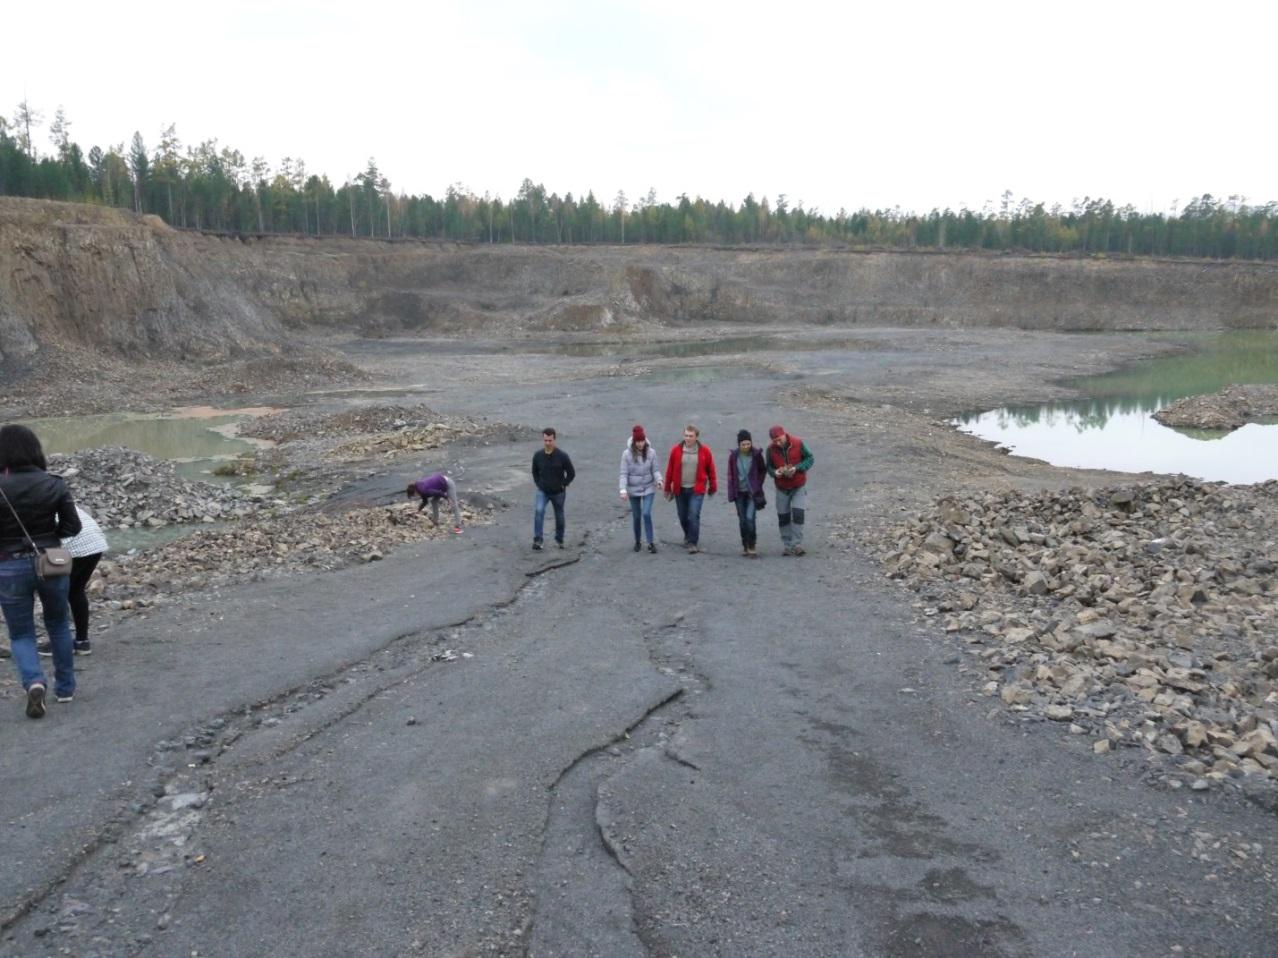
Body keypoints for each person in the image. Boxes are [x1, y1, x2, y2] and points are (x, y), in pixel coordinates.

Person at [0, 424, 81, 718]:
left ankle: (34, 682)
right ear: (35, 449)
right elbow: (73, 526)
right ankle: (66, 689)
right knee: (58, 623)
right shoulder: (54, 483)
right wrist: (49, 537)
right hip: (51, 561)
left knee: (20, 633)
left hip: (8, 565)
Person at [38, 505, 107, 656]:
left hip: (72, 546)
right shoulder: (52, 492)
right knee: (76, 591)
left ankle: (59, 643)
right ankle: (82, 642)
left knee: (56, 593)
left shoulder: (29, 502)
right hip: (95, 543)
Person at [663, 424, 717, 554]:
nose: (688, 438)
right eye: (686, 435)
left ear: (696, 437)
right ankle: (688, 534)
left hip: (696, 489)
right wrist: (667, 488)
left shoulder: (705, 451)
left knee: (693, 514)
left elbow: (711, 470)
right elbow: (670, 470)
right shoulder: (675, 451)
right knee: (682, 516)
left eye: (691, 436)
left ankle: (693, 542)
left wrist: (713, 486)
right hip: (680, 489)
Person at [766, 424, 814, 556]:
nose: (778, 442)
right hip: (782, 487)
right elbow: (768, 467)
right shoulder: (770, 450)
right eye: (775, 441)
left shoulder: (798, 443)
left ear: (784, 435)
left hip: (798, 485)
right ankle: (787, 545)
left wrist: (797, 468)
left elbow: (810, 458)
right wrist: (775, 472)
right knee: (783, 516)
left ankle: (797, 544)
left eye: (779, 439)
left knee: (798, 514)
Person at [619, 425, 661, 553]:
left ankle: (650, 542)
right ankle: (637, 541)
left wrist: (659, 480)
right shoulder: (626, 455)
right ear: (634, 441)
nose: (640, 444)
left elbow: (655, 470)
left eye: (642, 441)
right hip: (633, 489)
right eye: (638, 441)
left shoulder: (651, 452)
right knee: (636, 516)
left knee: (646, 513)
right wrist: (623, 489)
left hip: (648, 487)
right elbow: (623, 473)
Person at [726, 429, 767, 558]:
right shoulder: (733, 456)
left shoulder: (756, 455)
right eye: (743, 444)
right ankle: (745, 544)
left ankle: (752, 545)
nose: (746, 446)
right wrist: (731, 492)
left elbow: (762, 470)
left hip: (752, 494)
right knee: (742, 520)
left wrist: (757, 484)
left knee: (750, 519)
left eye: (748, 444)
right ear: (739, 444)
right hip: (739, 493)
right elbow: (731, 475)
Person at [531, 427, 574, 550]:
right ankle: (538, 540)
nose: (548, 443)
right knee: (539, 511)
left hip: (558, 492)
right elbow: (534, 471)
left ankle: (559, 539)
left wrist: (564, 484)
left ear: (554, 439)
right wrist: (538, 483)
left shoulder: (562, 456)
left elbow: (571, 473)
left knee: (559, 516)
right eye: (545, 440)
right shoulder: (538, 455)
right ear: (543, 440)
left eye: (550, 440)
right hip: (543, 491)